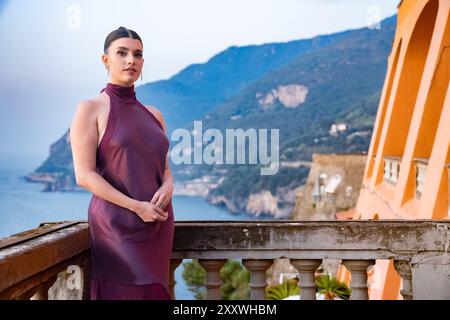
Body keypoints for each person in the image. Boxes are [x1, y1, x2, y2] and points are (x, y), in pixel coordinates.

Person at [69, 26, 174, 300]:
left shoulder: (155, 115)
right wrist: (137, 207)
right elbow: (84, 175)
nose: (131, 60)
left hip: (157, 225)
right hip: (117, 228)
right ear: (106, 60)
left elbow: (163, 167)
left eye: (138, 55)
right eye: (122, 53)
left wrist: (170, 183)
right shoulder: (89, 108)